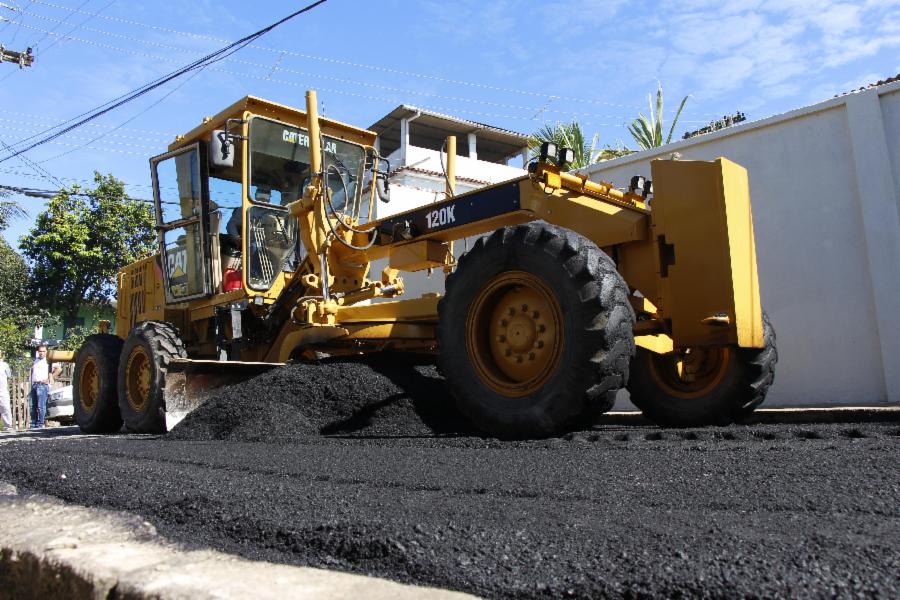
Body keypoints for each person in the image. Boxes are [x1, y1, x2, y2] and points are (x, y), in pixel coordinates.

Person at [30, 345, 60, 430]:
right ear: (38, 352)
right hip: (34, 385)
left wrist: (49, 379)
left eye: (43, 351)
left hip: (42, 385)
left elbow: (59, 369)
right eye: (40, 351)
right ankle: (34, 423)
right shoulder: (36, 360)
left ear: (46, 352)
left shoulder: (48, 361)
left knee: (41, 406)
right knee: (32, 405)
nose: (41, 353)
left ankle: (40, 423)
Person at [0, 354, 12, 432]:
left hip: (2, 390)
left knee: (5, 408)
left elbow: (9, 376)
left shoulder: (4, 365)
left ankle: (8, 426)